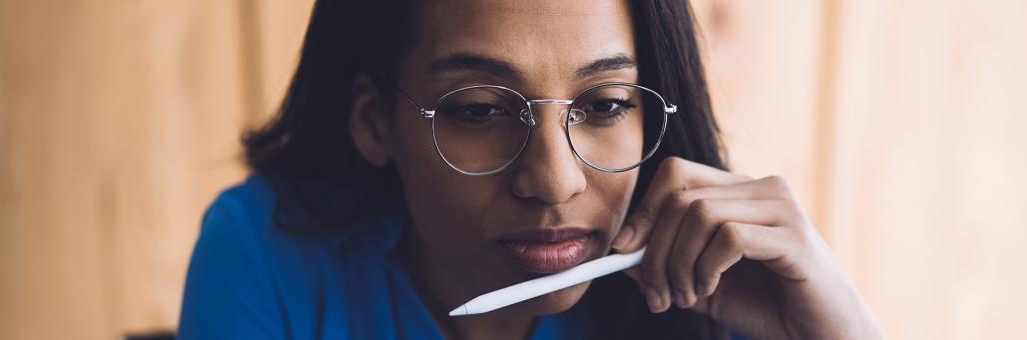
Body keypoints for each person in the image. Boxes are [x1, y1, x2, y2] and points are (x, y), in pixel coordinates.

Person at [177, 0, 884, 339]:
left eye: (605, 105)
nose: (554, 180)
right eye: (481, 111)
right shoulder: (262, 252)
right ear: (373, 122)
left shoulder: (714, 291)